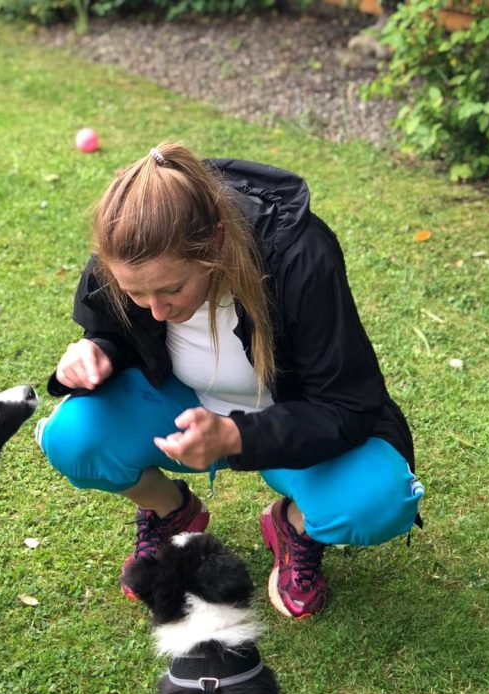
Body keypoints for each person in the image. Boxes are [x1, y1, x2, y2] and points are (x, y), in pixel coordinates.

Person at [36, 142, 423, 618]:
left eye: (172, 288)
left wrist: (236, 437)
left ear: (215, 242)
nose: (156, 310)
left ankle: (295, 525)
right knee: (73, 437)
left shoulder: (299, 254)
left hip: (290, 417)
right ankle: (169, 511)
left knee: (378, 500)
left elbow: (348, 405)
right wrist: (97, 349)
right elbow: (112, 328)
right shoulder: (127, 246)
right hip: (182, 406)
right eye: (135, 293)